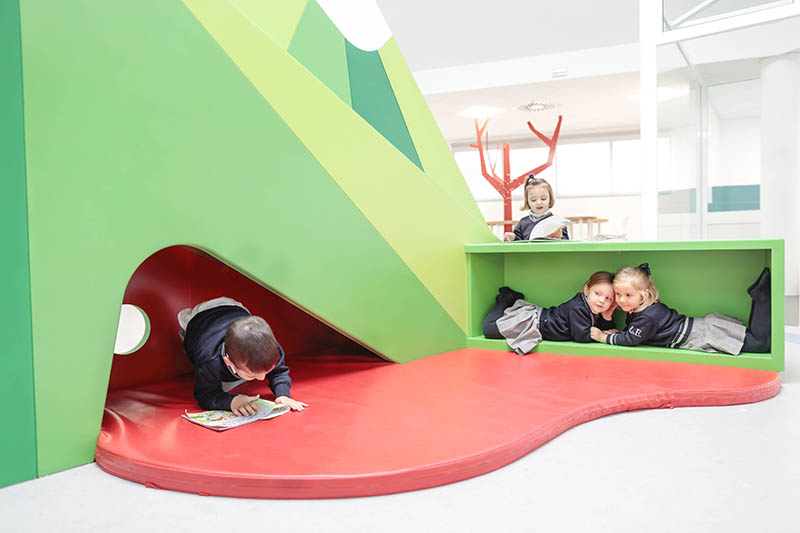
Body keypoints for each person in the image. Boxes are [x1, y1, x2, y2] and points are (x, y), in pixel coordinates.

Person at [591, 264, 771, 355]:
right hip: (696, 327)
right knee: (750, 338)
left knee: (760, 344)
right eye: (618, 294)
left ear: (644, 295)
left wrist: (603, 337)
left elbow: (631, 339)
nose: (621, 300)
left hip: (697, 335)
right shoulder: (644, 307)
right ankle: (759, 298)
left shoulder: (647, 317)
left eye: (628, 295)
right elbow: (636, 332)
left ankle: (761, 298)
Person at [178, 296, 308, 415]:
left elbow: (279, 372)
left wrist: (283, 395)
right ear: (228, 361)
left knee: (247, 329)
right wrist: (231, 401)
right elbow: (205, 395)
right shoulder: (210, 361)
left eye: (266, 372)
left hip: (232, 307)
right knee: (186, 326)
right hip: (199, 319)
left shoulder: (272, 348)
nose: (262, 378)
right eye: (252, 375)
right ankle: (186, 326)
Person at [483, 271, 617, 354]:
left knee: (495, 328)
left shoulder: (592, 308)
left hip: (542, 321)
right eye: (597, 293)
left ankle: (511, 299)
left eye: (608, 299)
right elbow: (581, 336)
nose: (601, 301)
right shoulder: (578, 307)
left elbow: (602, 327)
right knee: (489, 330)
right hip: (534, 323)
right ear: (586, 290)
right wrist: (602, 336)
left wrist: (607, 317)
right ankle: (504, 300)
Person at [504, 175, 569, 241]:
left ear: (550, 199)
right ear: (528, 202)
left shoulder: (558, 222)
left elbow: (566, 245)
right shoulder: (522, 223)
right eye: (533, 200)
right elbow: (517, 244)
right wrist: (513, 238)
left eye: (543, 199)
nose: (538, 202)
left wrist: (559, 238)